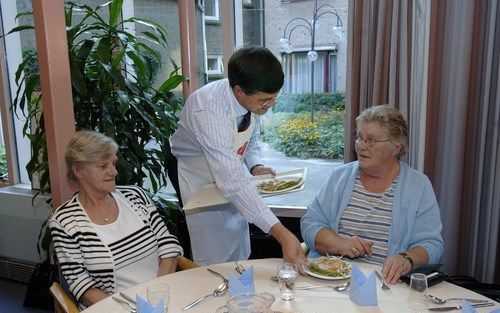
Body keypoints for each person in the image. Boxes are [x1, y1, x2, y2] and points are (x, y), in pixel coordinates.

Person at [170, 45, 305, 268]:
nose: (270, 106)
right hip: (196, 175)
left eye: (274, 99)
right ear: (239, 90)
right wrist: (282, 234)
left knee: (239, 238)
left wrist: (255, 165)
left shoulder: (252, 98)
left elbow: (249, 137)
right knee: (215, 251)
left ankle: (241, 283)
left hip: (228, 169)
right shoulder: (208, 109)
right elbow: (232, 183)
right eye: (265, 100)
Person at [300, 105, 444, 284]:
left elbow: (432, 244)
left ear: (396, 146)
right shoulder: (339, 177)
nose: (361, 146)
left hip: (387, 285)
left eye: (371, 140)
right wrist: (340, 244)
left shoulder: (418, 185)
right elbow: (310, 223)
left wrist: (406, 259)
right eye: (359, 138)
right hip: (331, 279)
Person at [49, 131, 183, 309]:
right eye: (103, 166)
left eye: (113, 163)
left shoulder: (136, 196)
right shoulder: (65, 221)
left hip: (162, 298)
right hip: (112, 308)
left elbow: (168, 246)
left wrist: (156, 297)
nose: (113, 171)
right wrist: (130, 309)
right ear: (78, 170)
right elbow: (82, 286)